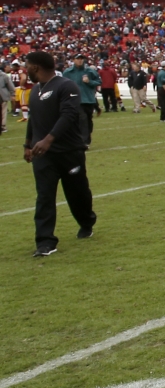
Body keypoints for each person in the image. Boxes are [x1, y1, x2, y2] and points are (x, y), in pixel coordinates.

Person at [21, 51, 95, 257]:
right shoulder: (35, 91)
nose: (24, 70)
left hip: (69, 152)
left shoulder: (65, 86)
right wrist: (27, 144)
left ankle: (87, 221)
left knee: (77, 193)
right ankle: (45, 242)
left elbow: (69, 115)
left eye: (27, 66)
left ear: (35, 67)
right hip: (43, 155)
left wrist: (49, 138)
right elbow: (33, 121)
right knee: (44, 196)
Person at [62, 55, 101, 146]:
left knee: (88, 120)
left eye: (81, 59)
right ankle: (83, 142)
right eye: (78, 59)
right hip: (75, 100)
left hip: (88, 99)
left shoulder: (90, 71)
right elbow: (63, 85)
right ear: (73, 60)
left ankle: (86, 138)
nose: (80, 61)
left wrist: (89, 82)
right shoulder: (68, 72)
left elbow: (98, 81)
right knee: (81, 119)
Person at [0, 62, 14, 134]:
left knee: (3, 112)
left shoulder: (4, 76)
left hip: (2, 96)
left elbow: (10, 86)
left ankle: (3, 126)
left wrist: (12, 94)